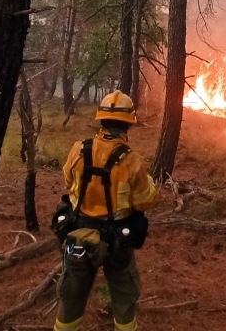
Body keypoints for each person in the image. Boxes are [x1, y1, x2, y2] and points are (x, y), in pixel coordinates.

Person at [52, 91, 157, 331]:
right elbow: (145, 202)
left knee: (70, 300)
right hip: (117, 242)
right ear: (129, 124)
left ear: (101, 119)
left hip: (79, 237)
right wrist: (149, 184)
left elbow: (69, 182)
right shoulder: (132, 161)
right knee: (124, 298)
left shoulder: (78, 149)